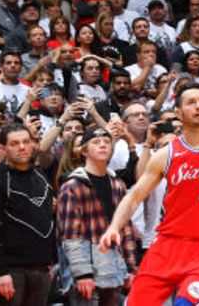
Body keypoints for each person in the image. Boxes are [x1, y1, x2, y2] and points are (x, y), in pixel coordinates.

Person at [100, 85, 199, 306]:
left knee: (184, 304)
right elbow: (134, 195)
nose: (198, 106)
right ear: (178, 113)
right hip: (167, 245)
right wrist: (114, 227)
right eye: (191, 102)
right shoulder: (166, 154)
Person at [0, 123, 59, 306]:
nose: (22, 147)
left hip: (41, 269)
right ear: (3, 148)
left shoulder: (42, 179)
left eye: (25, 142)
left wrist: (50, 261)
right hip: (10, 271)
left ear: (33, 145)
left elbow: (48, 223)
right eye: (14, 143)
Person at [57, 128, 138, 306]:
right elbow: (71, 235)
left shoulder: (118, 184)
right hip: (88, 273)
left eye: (107, 141)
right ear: (84, 150)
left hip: (115, 268)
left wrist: (131, 268)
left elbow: (127, 229)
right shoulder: (73, 185)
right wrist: (82, 274)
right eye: (96, 142)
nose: (102, 144)